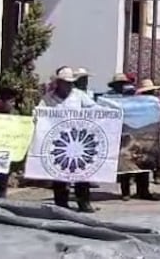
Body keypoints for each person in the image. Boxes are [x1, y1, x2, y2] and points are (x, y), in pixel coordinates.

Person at [41, 67, 98, 212]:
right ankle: (61, 203)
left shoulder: (79, 95)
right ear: (58, 82)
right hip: (58, 142)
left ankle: (84, 202)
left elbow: (95, 110)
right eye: (65, 82)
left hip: (78, 140)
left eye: (70, 82)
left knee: (82, 172)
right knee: (59, 173)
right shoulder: (48, 98)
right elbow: (39, 114)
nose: (68, 85)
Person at [135, 78, 160, 186]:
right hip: (143, 130)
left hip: (152, 130)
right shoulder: (139, 102)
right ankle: (144, 180)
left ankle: (157, 174)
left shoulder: (155, 101)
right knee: (143, 155)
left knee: (156, 154)